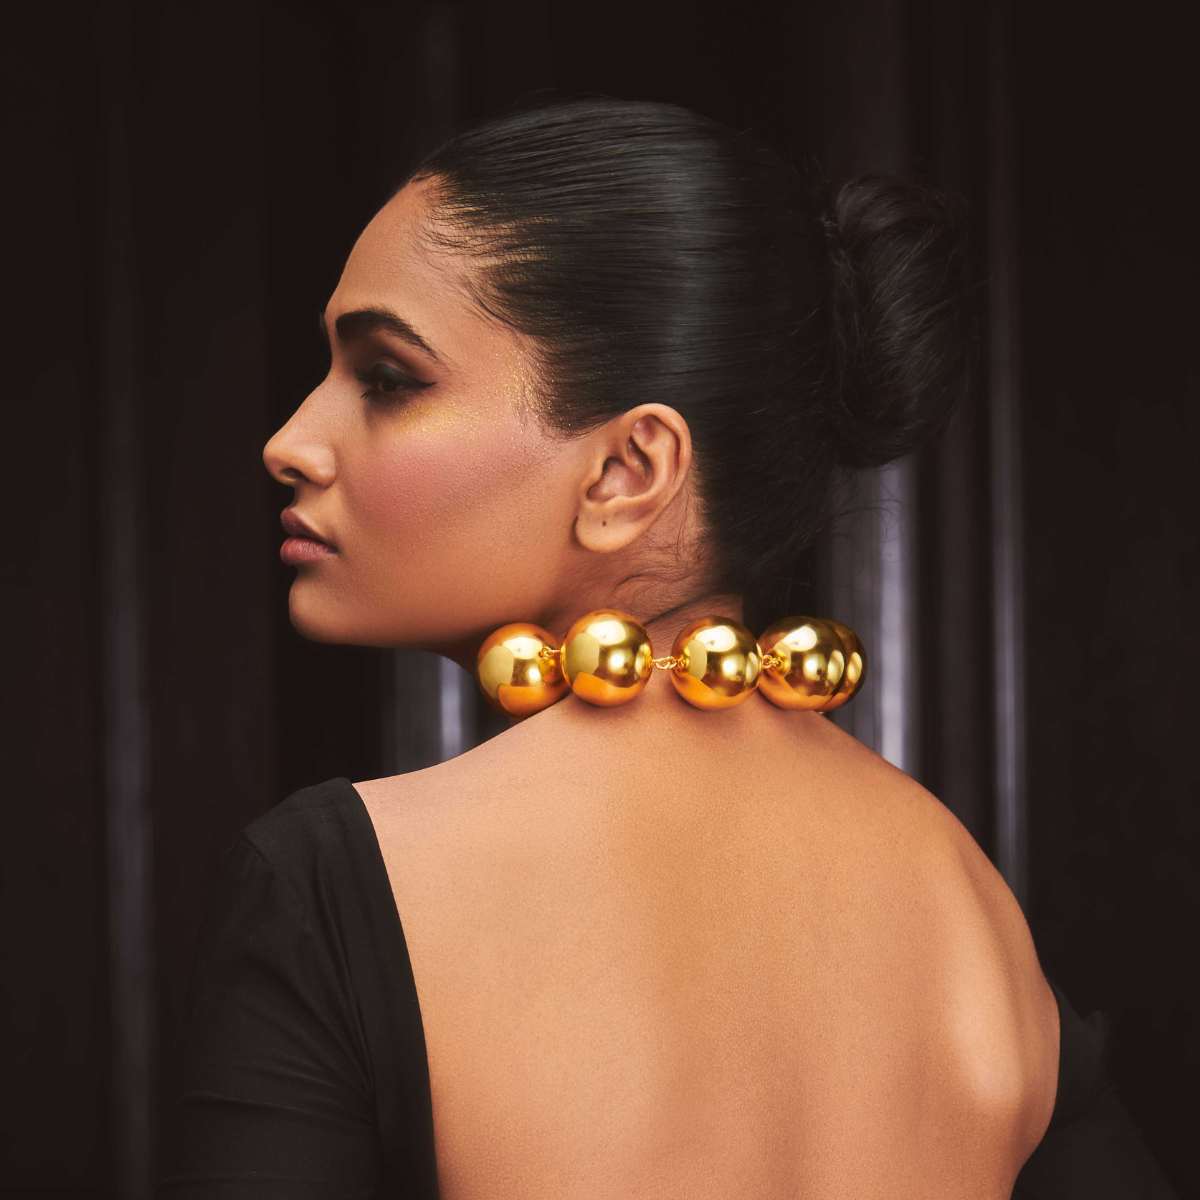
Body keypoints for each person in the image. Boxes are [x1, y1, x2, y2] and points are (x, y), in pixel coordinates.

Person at [156, 96, 1177, 1198]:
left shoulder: (337, 884)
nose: (290, 441)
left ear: (627, 472)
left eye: (388, 380)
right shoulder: (968, 907)